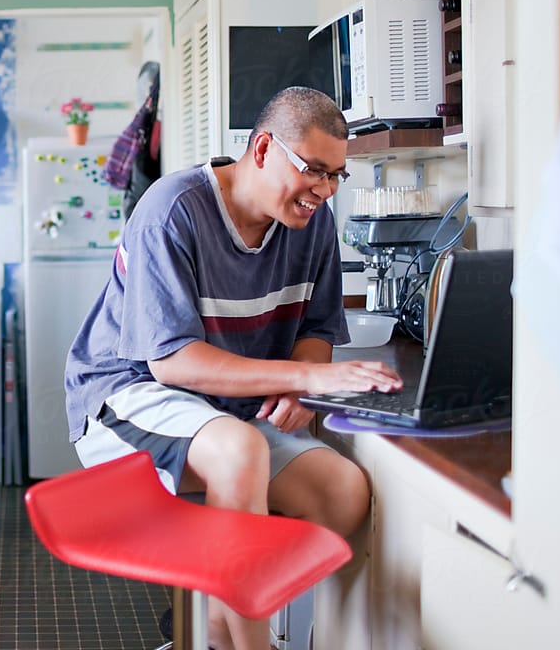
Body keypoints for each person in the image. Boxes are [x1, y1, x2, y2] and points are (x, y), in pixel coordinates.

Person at [63, 86, 401, 650]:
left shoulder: (313, 221)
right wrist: (304, 379)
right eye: (314, 169)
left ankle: (214, 620)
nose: (325, 189)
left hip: (232, 409)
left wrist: (299, 383)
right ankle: (250, 643)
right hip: (127, 395)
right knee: (240, 453)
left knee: (343, 494)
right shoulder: (172, 210)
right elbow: (170, 361)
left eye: (337, 175)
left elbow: (317, 329)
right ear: (263, 148)